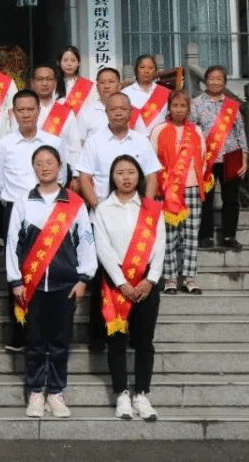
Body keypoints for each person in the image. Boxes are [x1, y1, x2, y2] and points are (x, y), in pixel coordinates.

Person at [6, 146, 95, 419]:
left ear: (60, 166)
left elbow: (86, 242)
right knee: (34, 341)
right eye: (39, 163)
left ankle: (56, 392)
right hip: (31, 286)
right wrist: (15, 280)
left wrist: (83, 279)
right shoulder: (23, 201)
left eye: (49, 162)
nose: (44, 167)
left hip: (65, 285)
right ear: (33, 168)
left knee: (59, 342)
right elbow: (12, 243)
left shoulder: (75, 204)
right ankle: (35, 392)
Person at [75, 92, 162, 349]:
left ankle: (135, 333)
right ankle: (99, 335)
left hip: (137, 218)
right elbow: (84, 177)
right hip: (104, 216)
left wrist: (146, 210)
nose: (118, 113)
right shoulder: (95, 141)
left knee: (136, 271)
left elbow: (152, 176)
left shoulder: (141, 141)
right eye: (113, 109)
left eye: (123, 108)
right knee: (102, 276)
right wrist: (98, 207)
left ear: (131, 112)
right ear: (106, 113)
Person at [0, 90, 67, 352]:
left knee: (48, 266)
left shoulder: (53, 141)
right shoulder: (4, 144)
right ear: (13, 113)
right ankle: (19, 332)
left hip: (47, 209)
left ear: (39, 111)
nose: (26, 114)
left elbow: (62, 176)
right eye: (20, 110)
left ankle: (47, 330)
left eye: (30, 109)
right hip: (15, 210)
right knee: (16, 271)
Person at [93, 155, 165, 421]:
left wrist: (150, 280)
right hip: (116, 285)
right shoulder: (103, 209)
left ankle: (142, 393)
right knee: (117, 342)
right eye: (120, 172)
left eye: (131, 172)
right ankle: (122, 394)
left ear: (139, 176)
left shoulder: (152, 208)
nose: (126, 177)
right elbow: (103, 248)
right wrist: (121, 282)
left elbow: (160, 246)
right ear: (112, 177)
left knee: (145, 341)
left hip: (146, 284)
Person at [151, 90, 206, 294]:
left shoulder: (196, 131)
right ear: (169, 107)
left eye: (183, 106)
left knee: (190, 234)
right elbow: (152, 160)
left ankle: (190, 278)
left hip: (191, 188)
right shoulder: (159, 130)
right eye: (175, 105)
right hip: (167, 191)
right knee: (169, 235)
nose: (179, 110)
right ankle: (170, 279)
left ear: (188, 109)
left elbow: (203, 157)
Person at [191, 65, 249, 251]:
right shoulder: (196, 103)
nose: (215, 82)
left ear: (224, 82)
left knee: (231, 199)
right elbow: (192, 131)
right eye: (211, 78)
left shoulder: (232, 105)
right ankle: (205, 235)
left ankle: (229, 236)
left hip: (231, 157)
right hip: (206, 158)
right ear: (205, 80)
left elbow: (240, 133)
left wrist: (245, 158)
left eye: (219, 79)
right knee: (205, 199)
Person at [18, 64, 81, 170]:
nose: (45, 83)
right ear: (32, 83)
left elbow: (74, 147)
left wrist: (75, 173)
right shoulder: (23, 111)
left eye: (49, 79)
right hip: (27, 169)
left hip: (59, 171)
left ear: (55, 83)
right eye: (40, 79)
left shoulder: (65, 111)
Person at [122, 54, 169, 134]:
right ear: (136, 70)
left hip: (159, 137)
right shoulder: (125, 92)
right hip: (134, 137)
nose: (146, 71)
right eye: (142, 67)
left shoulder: (165, 93)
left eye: (150, 68)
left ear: (155, 71)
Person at [78, 67, 121, 144]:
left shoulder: (129, 110)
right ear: (97, 87)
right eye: (102, 82)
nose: (106, 86)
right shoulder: (86, 111)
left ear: (119, 85)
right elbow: (80, 141)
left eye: (111, 82)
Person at [55, 45, 100, 110]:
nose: (69, 64)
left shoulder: (86, 84)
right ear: (59, 62)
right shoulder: (53, 84)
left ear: (78, 63)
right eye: (65, 60)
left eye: (73, 60)